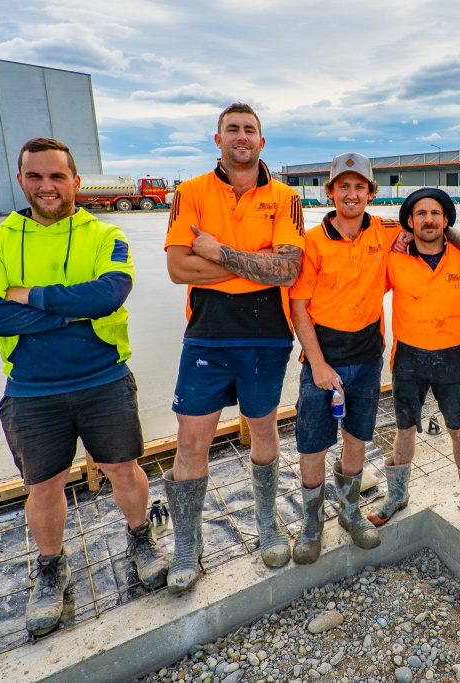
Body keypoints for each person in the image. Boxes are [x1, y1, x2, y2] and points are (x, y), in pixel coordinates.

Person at [0, 137, 167, 637]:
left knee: (124, 468)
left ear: (76, 181)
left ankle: (140, 537)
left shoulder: (105, 234)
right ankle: (51, 568)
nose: (47, 186)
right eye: (36, 176)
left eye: (57, 176)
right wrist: (71, 315)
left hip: (104, 380)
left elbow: (110, 294)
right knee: (45, 485)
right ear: (22, 181)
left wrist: (30, 298)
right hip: (33, 389)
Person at [289, 157, 460, 564]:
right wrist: (318, 363)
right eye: (343, 186)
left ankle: (351, 510)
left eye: (359, 187)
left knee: (361, 436)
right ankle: (312, 524)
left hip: (376, 356)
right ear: (330, 193)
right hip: (326, 359)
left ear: (371, 194)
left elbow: (434, 227)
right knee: (313, 443)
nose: (351, 194)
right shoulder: (314, 242)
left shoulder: (386, 233)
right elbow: (299, 305)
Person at [164, 103, 305, 591]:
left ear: (262, 142)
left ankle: (267, 524)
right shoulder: (190, 192)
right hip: (206, 333)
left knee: (264, 431)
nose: (241, 136)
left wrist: (220, 252)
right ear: (217, 139)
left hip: (267, 336)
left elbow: (287, 271)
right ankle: (187, 545)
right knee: (190, 440)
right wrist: (253, 264)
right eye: (233, 130)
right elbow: (179, 269)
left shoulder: (286, 198)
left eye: (250, 130)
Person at [367, 188, 460, 542]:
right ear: (409, 221)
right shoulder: (394, 258)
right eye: (420, 213)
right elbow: (362, 285)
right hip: (408, 357)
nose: (428, 220)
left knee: (459, 429)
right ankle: (397, 495)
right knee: (405, 428)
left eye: (435, 213)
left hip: (452, 357)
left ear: (446, 221)